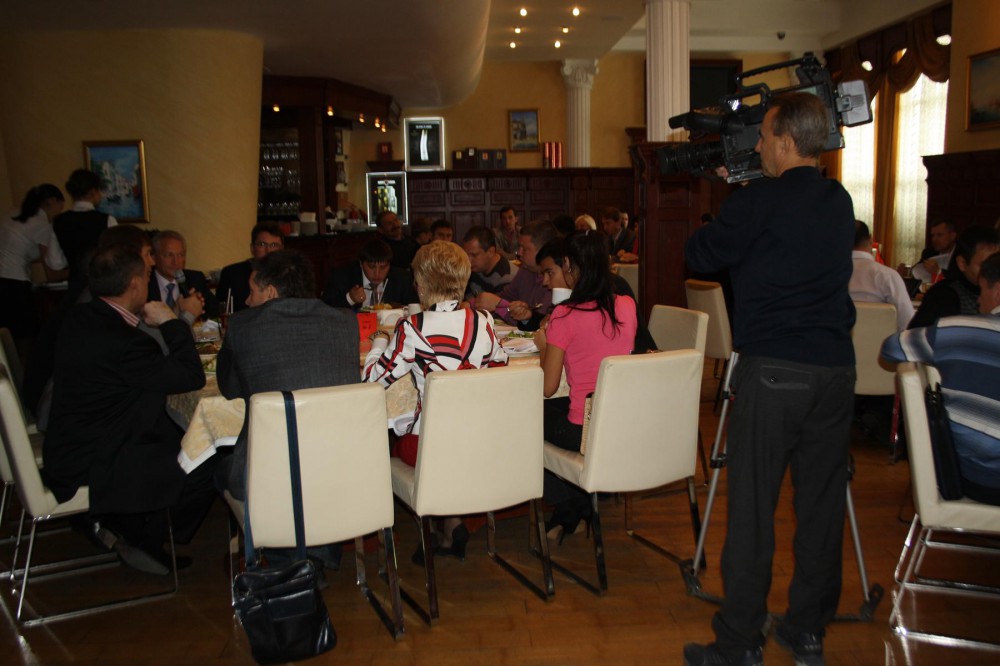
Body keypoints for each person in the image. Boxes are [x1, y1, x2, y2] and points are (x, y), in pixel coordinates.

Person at [683, 92, 858, 666]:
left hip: (776, 370)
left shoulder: (756, 201)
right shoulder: (839, 199)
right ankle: (806, 630)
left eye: (762, 135)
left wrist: (728, 199)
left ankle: (739, 642)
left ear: (784, 142)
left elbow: (700, 253)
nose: (756, 144)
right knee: (821, 508)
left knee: (753, 510)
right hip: (835, 371)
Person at [42, 244, 215, 575]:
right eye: (147, 275)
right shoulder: (125, 343)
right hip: (97, 457)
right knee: (208, 454)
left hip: (71, 441)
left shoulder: (80, 317)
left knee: (177, 431)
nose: (148, 281)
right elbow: (189, 376)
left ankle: (122, 523)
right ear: (135, 284)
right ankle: (142, 538)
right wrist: (173, 322)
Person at [363, 240, 508, 560]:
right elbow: (500, 364)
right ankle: (451, 524)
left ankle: (429, 529)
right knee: (446, 449)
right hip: (477, 441)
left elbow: (372, 379)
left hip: (429, 447)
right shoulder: (484, 320)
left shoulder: (412, 327)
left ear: (420, 285)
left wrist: (379, 341)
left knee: (399, 445)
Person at [217, 250, 358, 569]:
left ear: (270, 292)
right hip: (339, 467)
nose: (247, 300)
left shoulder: (242, 326)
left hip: (271, 474)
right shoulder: (345, 321)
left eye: (251, 291)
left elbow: (230, 389)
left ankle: (289, 561)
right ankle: (314, 556)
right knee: (310, 473)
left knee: (221, 468)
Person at [533, 231, 637, 539]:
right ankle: (580, 508)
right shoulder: (626, 305)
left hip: (584, 431)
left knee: (524, 417)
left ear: (568, 265)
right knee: (556, 409)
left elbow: (547, 387)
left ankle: (569, 507)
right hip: (621, 422)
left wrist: (543, 346)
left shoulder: (565, 314)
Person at [880, 251, 1000, 505]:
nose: (979, 300)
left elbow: (891, 348)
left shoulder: (958, 331)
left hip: (979, 479)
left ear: (998, 291)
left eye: (982, 290)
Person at [536, 235, 655, 353]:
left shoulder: (613, 289)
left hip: (635, 357)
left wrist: (547, 343)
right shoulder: (585, 294)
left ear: (567, 264)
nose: (545, 281)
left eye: (550, 273)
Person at [0, 184, 68, 352]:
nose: (59, 213)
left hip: (3, 280)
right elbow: (51, 272)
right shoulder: (41, 224)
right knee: (27, 338)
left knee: (8, 339)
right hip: (16, 284)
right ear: (52, 201)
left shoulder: (12, 213)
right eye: (60, 206)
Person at [908, 226, 999, 330]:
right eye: (984, 265)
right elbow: (916, 336)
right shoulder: (944, 296)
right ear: (962, 263)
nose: (994, 270)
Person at [476, 220, 559, 330]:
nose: (518, 253)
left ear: (543, 251)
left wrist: (499, 305)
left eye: (524, 249)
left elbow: (538, 322)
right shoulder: (526, 270)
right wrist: (474, 303)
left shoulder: (557, 280)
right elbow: (506, 296)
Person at [52, 169, 117, 292]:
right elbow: (117, 257)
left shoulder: (59, 221)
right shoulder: (106, 220)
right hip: (103, 285)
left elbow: (55, 263)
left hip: (75, 284)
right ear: (93, 192)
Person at [849, 220, 914, 331]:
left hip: (837, 340)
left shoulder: (830, 276)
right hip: (880, 342)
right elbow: (908, 323)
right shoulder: (887, 276)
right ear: (870, 240)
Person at [322, 238, 418, 309]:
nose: (377, 273)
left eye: (383, 267)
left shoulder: (402, 277)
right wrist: (350, 298)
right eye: (371, 267)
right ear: (361, 264)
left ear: (389, 265)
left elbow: (414, 307)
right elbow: (324, 308)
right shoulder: (342, 276)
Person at [147, 230, 219, 320]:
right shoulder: (145, 282)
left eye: (180, 255)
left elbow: (216, 312)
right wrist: (176, 310)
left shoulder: (195, 279)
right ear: (153, 257)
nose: (175, 262)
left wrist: (198, 308)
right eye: (169, 255)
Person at [214, 222, 284, 313]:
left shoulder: (289, 275)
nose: (268, 250)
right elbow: (220, 310)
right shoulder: (232, 274)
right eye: (262, 244)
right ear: (252, 248)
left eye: (274, 245)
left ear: (282, 249)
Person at [463, 225, 518, 298]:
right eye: (466, 254)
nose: (468, 260)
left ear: (491, 252)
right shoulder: (474, 268)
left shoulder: (506, 277)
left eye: (474, 255)